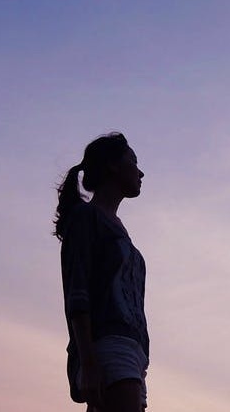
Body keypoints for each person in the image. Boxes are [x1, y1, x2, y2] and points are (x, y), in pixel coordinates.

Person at [54, 132, 149, 411]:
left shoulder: (117, 228)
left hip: (132, 351)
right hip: (108, 346)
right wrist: (89, 361)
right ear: (112, 165)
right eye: (133, 161)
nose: (140, 172)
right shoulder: (86, 218)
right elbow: (77, 294)